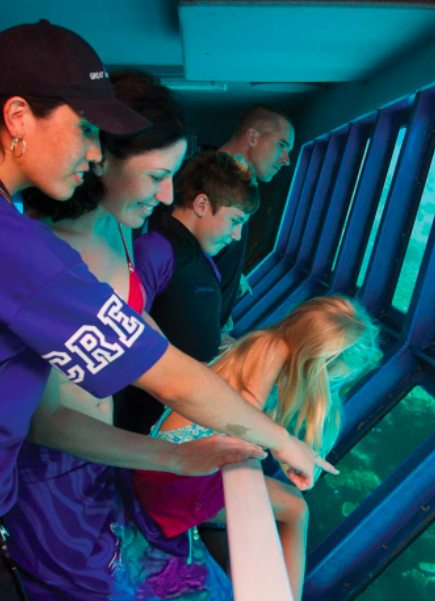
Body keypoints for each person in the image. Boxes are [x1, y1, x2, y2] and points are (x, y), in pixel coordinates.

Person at [0, 21, 332, 601]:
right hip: (46, 502)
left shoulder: (83, 239)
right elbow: (168, 375)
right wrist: (283, 441)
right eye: (84, 130)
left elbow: (47, 414)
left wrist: (172, 458)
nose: (95, 151)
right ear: (18, 117)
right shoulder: (31, 252)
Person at [132, 296, 381, 600]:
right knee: (295, 508)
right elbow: (237, 419)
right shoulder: (273, 349)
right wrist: (282, 445)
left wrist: (283, 445)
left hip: (166, 467)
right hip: (170, 480)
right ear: (318, 360)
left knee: (289, 505)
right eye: (333, 377)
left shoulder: (267, 344)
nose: (331, 387)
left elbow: (241, 412)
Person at [114, 150, 259, 434]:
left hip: (178, 413)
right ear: (202, 204)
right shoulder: (154, 251)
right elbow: (125, 333)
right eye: (235, 221)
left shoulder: (206, 262)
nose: (236, 235)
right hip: (139, 417)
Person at [216, 105, 295, 338]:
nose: (286, 160)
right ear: (252, 137)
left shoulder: (240, 185)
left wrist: (232, 277)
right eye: (281, 145)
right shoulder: (212, 182)